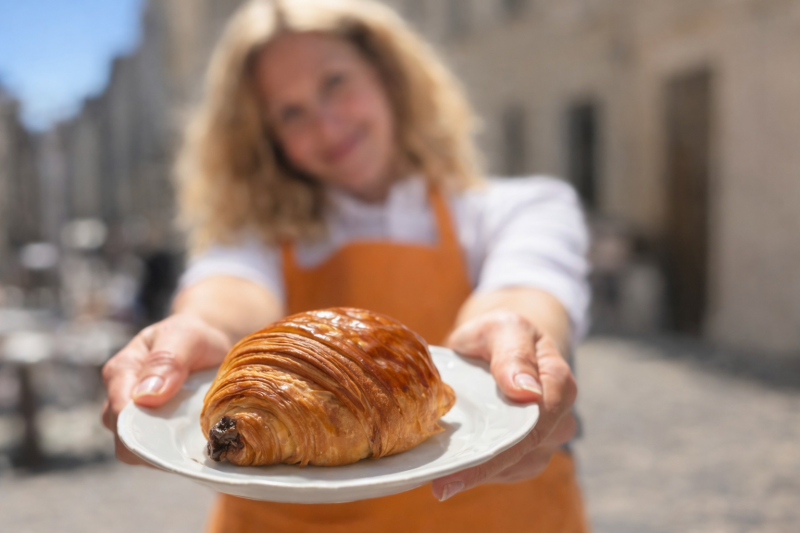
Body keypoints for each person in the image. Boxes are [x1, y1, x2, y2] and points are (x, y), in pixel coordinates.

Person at [101, 0, 591, 531]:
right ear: (267, 138)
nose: (326, 124)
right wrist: (197, 329)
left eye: (335, 82)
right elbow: (228, 289)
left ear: (388, 75)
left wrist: (516, 338)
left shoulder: (521, 208)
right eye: (290, 112)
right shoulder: (253, 236)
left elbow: (527, 289)